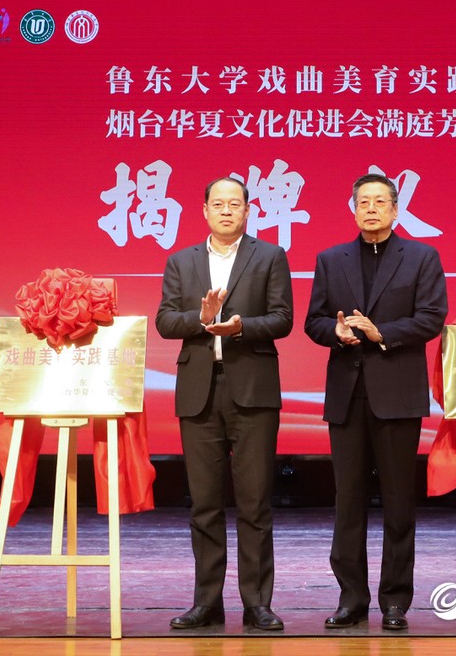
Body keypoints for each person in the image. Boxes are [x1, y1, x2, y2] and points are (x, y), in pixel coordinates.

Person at [305, 173, 448, 630]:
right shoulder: (331, 259)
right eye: (363, 201)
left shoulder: (422, 257)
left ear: (395, 209)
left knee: (398, 501)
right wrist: (337, 332)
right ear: (353, 209)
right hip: (347, 394)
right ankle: (351, 599)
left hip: (398, 394)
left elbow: (431, 318)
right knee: (347, 501)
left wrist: (380, 332)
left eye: (379, 201)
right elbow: (313, 320)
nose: (371, 208)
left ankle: (395, 601)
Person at [155, 177, 293, 631]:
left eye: (235, 204)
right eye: (219, 204)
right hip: (199, 392)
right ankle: (207, 603)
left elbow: (282, 318)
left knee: (255, 503)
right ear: (205, 210)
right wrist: (201, 319)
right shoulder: (181, 261)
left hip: (253, 390)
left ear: (248, 211)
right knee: (205, 505)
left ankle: (257, 604)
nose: (227, 211)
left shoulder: (269, 256)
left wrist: (240, 327)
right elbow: (164, 321)